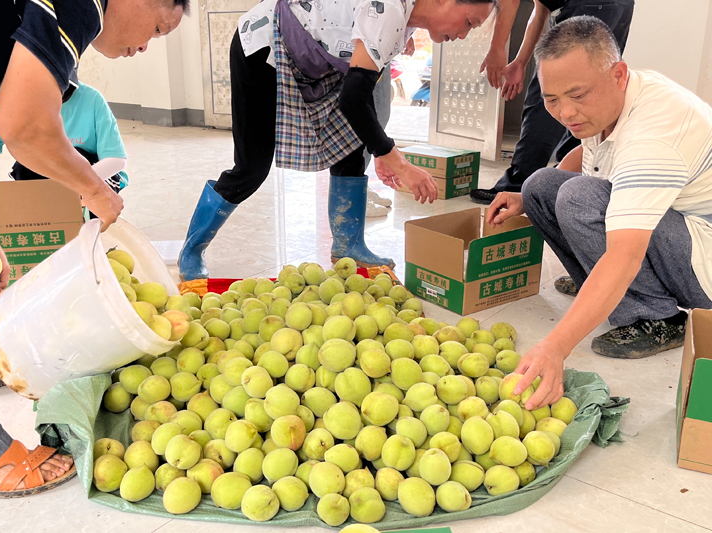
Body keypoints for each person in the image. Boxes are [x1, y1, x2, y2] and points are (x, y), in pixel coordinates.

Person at [0, 0, 185, 500]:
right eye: (159, 27)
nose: (146, 45)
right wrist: (95, 190)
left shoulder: (20, 33)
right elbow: (28, 129)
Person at [177, 0, 497, 281]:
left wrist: (379, 147)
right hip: (263, 47)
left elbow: (358, 94)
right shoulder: (390, 9)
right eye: (468, 22)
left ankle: (349, 245)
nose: (464, 34)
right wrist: (397, 161)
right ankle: (192, 250)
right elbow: (354, 99)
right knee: (252, 168)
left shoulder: (406, 20)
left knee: (352, 144)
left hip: (316, 61)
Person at [487, 16, 712, 410]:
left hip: (703, 259)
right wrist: (526, 198)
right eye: (552, 99)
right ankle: (604, 288)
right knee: (541, 185)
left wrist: (555, 346)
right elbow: (590, 152)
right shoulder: (609, 100)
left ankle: (657, 317)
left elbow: (624, 255)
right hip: (676, 233)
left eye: (576, 95)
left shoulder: (654, 132)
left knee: (579, 198)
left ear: (619, 74)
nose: (566, 113)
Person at [469, 0, 634, 205]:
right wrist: (520, 62)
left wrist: (497, 49)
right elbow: (540, 12)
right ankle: (569, 183)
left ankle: (521, 187)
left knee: (552, 91)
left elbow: (509, 2)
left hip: (591, 5)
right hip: (617, 6)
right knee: (590, 87)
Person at [0, 75, 130, 217]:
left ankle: (86, 227)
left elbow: (116, 159)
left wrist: (71, 189)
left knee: (74, 156)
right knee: (25, 166)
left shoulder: (92, 99)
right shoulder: (19, 102)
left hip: (94, 173)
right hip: (50, 179)